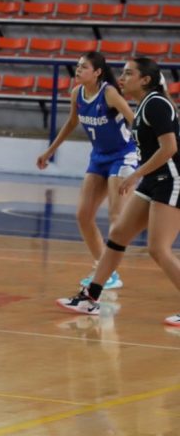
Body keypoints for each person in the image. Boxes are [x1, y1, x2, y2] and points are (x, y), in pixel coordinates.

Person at [57, 57, 180, 323]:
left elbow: (170, 148)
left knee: (158, 249)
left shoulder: (156, 105)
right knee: (118, 235)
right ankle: (90, 297)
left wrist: (136, 173)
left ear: (145, 80)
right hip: (153, 180)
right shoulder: (145, 104)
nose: (121, 78)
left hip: (171, 180)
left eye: (128, 73)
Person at [36, 52, 137, 290]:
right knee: (83, 215)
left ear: (98, 72)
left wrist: (150, 151)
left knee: (116, 216)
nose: (78, 70)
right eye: (78, 66)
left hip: (123, 155)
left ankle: (106, 273)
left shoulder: (109, 93)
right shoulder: (77, 94)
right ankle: (105, 269)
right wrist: (49, 151)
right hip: (99, 157)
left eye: (83, 67)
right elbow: (72, 123)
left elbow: (134, 120)